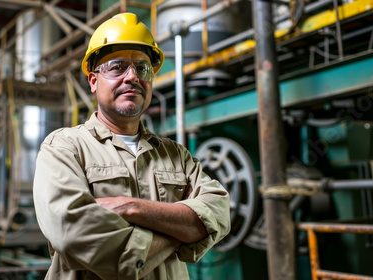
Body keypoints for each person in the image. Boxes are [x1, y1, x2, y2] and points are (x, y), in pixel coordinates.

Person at [33, 12, 230, 280]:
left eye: (142, 68)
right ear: (93, 81)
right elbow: (74, 234)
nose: (132, 77)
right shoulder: (64, 147)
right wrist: (181, 232)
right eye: (117, 67)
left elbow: (218, 213)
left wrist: (130, 208)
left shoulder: (176, 155)